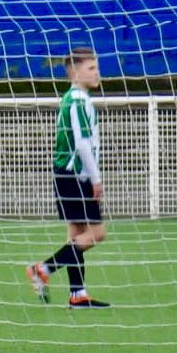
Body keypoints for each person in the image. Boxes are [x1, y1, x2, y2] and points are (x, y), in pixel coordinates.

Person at [27, 47, 110, 309]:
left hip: (64, 174)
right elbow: (83, 144)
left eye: (96, 67)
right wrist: (95, 179)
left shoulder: (70, 99)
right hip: (76, 175)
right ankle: (43, 268)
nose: (97, 72)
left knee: (76, 234)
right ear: (74, 72)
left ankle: (78, 294)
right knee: (96, 234)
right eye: (91, 68)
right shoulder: (77, 101)